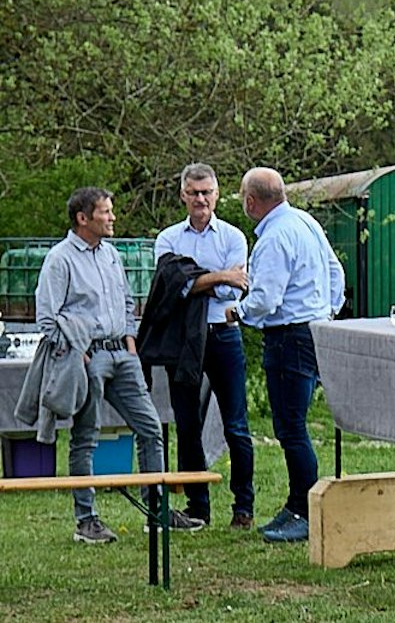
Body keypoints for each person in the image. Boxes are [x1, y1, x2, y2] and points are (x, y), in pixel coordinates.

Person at [32, 187, 183, 544]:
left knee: (150, 428)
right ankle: (86, 521)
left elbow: (127, 302)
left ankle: (156, 512)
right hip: (88, 357)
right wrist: (79, 353)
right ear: (83, 218)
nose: (113, 217)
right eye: (106, 212)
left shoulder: (112, 254)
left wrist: (130, 343)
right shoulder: (60, 260)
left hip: (123, 356)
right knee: (86, 436)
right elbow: (47, 319)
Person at [237, 167, 345, 544]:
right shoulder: (305, 222)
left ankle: (305, 510)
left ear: (252, 201)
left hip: (288, 336)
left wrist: (238, 312)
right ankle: (297, 505)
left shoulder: (273, 238)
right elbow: (335, 272)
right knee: (293, 425)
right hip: (312, 331)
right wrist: (326, 312)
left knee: (291, 427)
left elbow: (266, 298)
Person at [152, 163, 255, 529]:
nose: (200, 199)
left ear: (217, 194)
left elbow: (232, 291)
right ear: (183, 195)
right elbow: (170, 288)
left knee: (236, 424)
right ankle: (198, 508)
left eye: (206, 192)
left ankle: (243, 507)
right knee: (187, 423)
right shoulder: (168, 239)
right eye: (194, 193)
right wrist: (219, 275)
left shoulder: (233, 237)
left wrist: (193, 281)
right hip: (183, 340)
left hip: (223, 335)